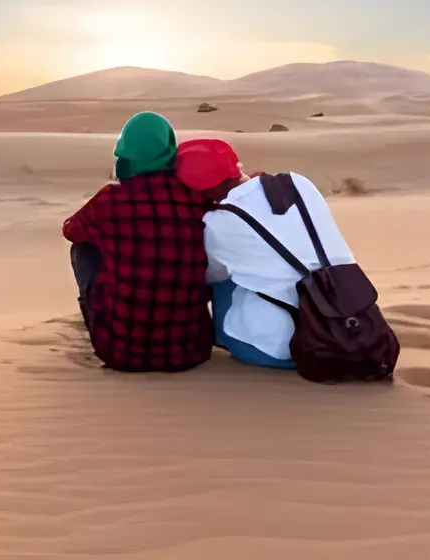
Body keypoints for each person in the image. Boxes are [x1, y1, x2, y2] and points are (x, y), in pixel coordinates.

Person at [175, 138, 355, 369]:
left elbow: (208, 276)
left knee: (223, 273)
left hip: (282, 350)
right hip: (349, 325)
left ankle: (225, 334)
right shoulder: (298, 183)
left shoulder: (219, 222)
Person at [62, 112, 213, 372]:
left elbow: (70, 230)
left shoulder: (110, 200)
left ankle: (98, 311)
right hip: (191, 351)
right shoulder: (198, 199)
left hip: (119, 351)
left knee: (83, 247)